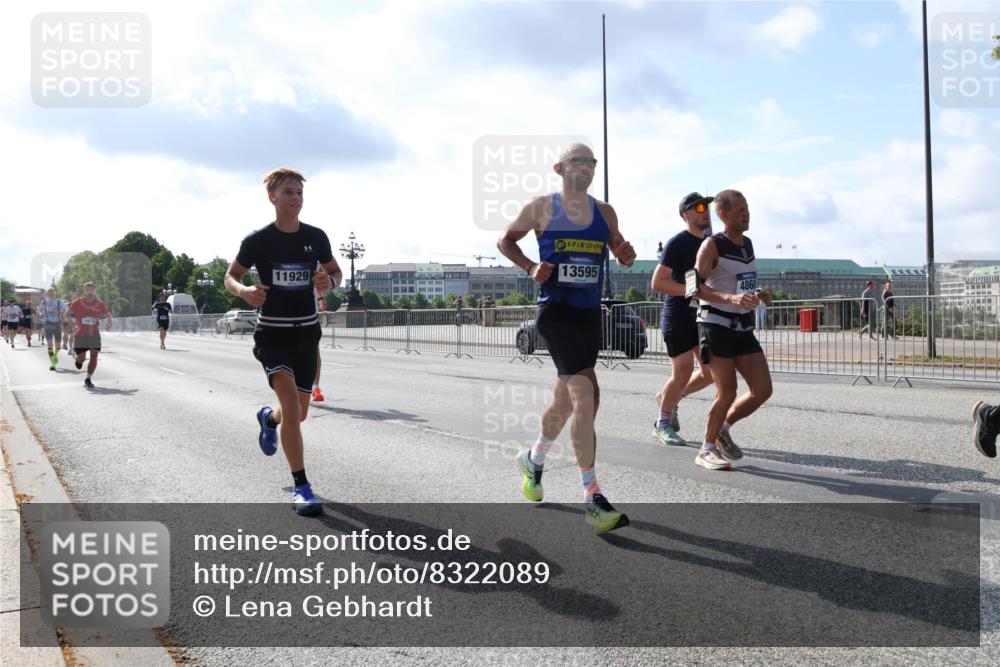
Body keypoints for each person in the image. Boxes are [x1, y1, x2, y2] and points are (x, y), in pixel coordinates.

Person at [498, 142, 636, 533]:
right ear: (559, 168)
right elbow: (505, 240)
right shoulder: (541, 207)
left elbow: (620, 252)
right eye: (579, 160)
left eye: (592, 162)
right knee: (587, 393)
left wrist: (625, 255)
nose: (588, 167)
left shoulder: (604, 212)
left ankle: (534, 459)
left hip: (588, 315)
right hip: (555, 312)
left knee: (565, 399)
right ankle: (592, 495)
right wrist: (529, 267)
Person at [224, 167, 343, 516]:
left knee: (298, 414)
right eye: (289, 192)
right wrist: (244, 290)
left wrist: (329, 282)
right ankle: (302, 486)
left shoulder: (316, 237)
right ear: (272, 197)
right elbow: (231, 275)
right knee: (293, 407)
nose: (296, 199)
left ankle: (268, 420)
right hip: (272, 334)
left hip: (306, 334)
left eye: (299, 193)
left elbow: (335, 272)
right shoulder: (258, 241)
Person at [692, 189, 773, 471]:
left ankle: (723, 428)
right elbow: (693, 289)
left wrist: (756, 293)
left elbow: (738, 282)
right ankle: (706, 449)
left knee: (762, 389)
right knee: (726, 390)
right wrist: (731, 299)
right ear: (724, 215)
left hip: (741, 326)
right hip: (715, 323)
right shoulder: (711, 245)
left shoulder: (747, 244)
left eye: (747, 208)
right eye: (740, 210)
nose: (746, 213)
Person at [649, 192, 716, 447]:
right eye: (699, 207)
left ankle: (671, 398)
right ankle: (662, 424)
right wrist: (692, 290)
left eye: (707, 207)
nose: (705, 211)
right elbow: (658, 282)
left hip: (701, 316)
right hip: (677, 316)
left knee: (710, 373)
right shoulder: (677, 243)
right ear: (686, 214)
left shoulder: (711, 243)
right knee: (683, 370)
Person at [65, 282, 113, 388]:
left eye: (92, 289)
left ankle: (88, 378)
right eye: (87, 289)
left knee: (94, 356)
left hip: (94, 334)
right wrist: (73, 325)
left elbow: (108, 314)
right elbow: (67, 315)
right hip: (81, 334)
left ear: (95, 291)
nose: (90, 291)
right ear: (84, 291)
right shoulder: (77, 303)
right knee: (81, 359)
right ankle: (78, 360)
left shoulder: (99, 303)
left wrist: (109, 323)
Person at [38, 289, 68, 370]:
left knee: (58, 346)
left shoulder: (60, 302)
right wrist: (40, 315)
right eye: (49, 293)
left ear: (55, 293)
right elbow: (40, 311)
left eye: (52, 293)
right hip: (48, 324)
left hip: (57, 324)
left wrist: (63, 315)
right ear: (47, 294)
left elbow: (67, 310)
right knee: (50, 345)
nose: (51, 294)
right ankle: (53, 363)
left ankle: (55, 356)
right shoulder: (44, 302)